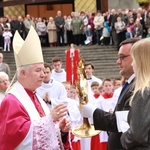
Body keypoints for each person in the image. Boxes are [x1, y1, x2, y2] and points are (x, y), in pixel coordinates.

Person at [0, 26, 71, 149]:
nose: (43, 75)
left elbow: (44, 132)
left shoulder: (36, 96)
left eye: (44, 70)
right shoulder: (12, 101)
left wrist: (60, 130)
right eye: (38, 70)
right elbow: (14, 138)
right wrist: (50, 119)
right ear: (23, 73)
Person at [81, 38, 140, 150]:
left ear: (137, 57)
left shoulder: (138, 85)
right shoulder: (131, 83)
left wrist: (93, 112)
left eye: (122, 57)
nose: (118, 61)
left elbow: (126, 125)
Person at [120, 38, 150, 150]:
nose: (133, 64)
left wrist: (124, 137)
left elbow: (137, 135)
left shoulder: (144, 92)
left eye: (134, 60)